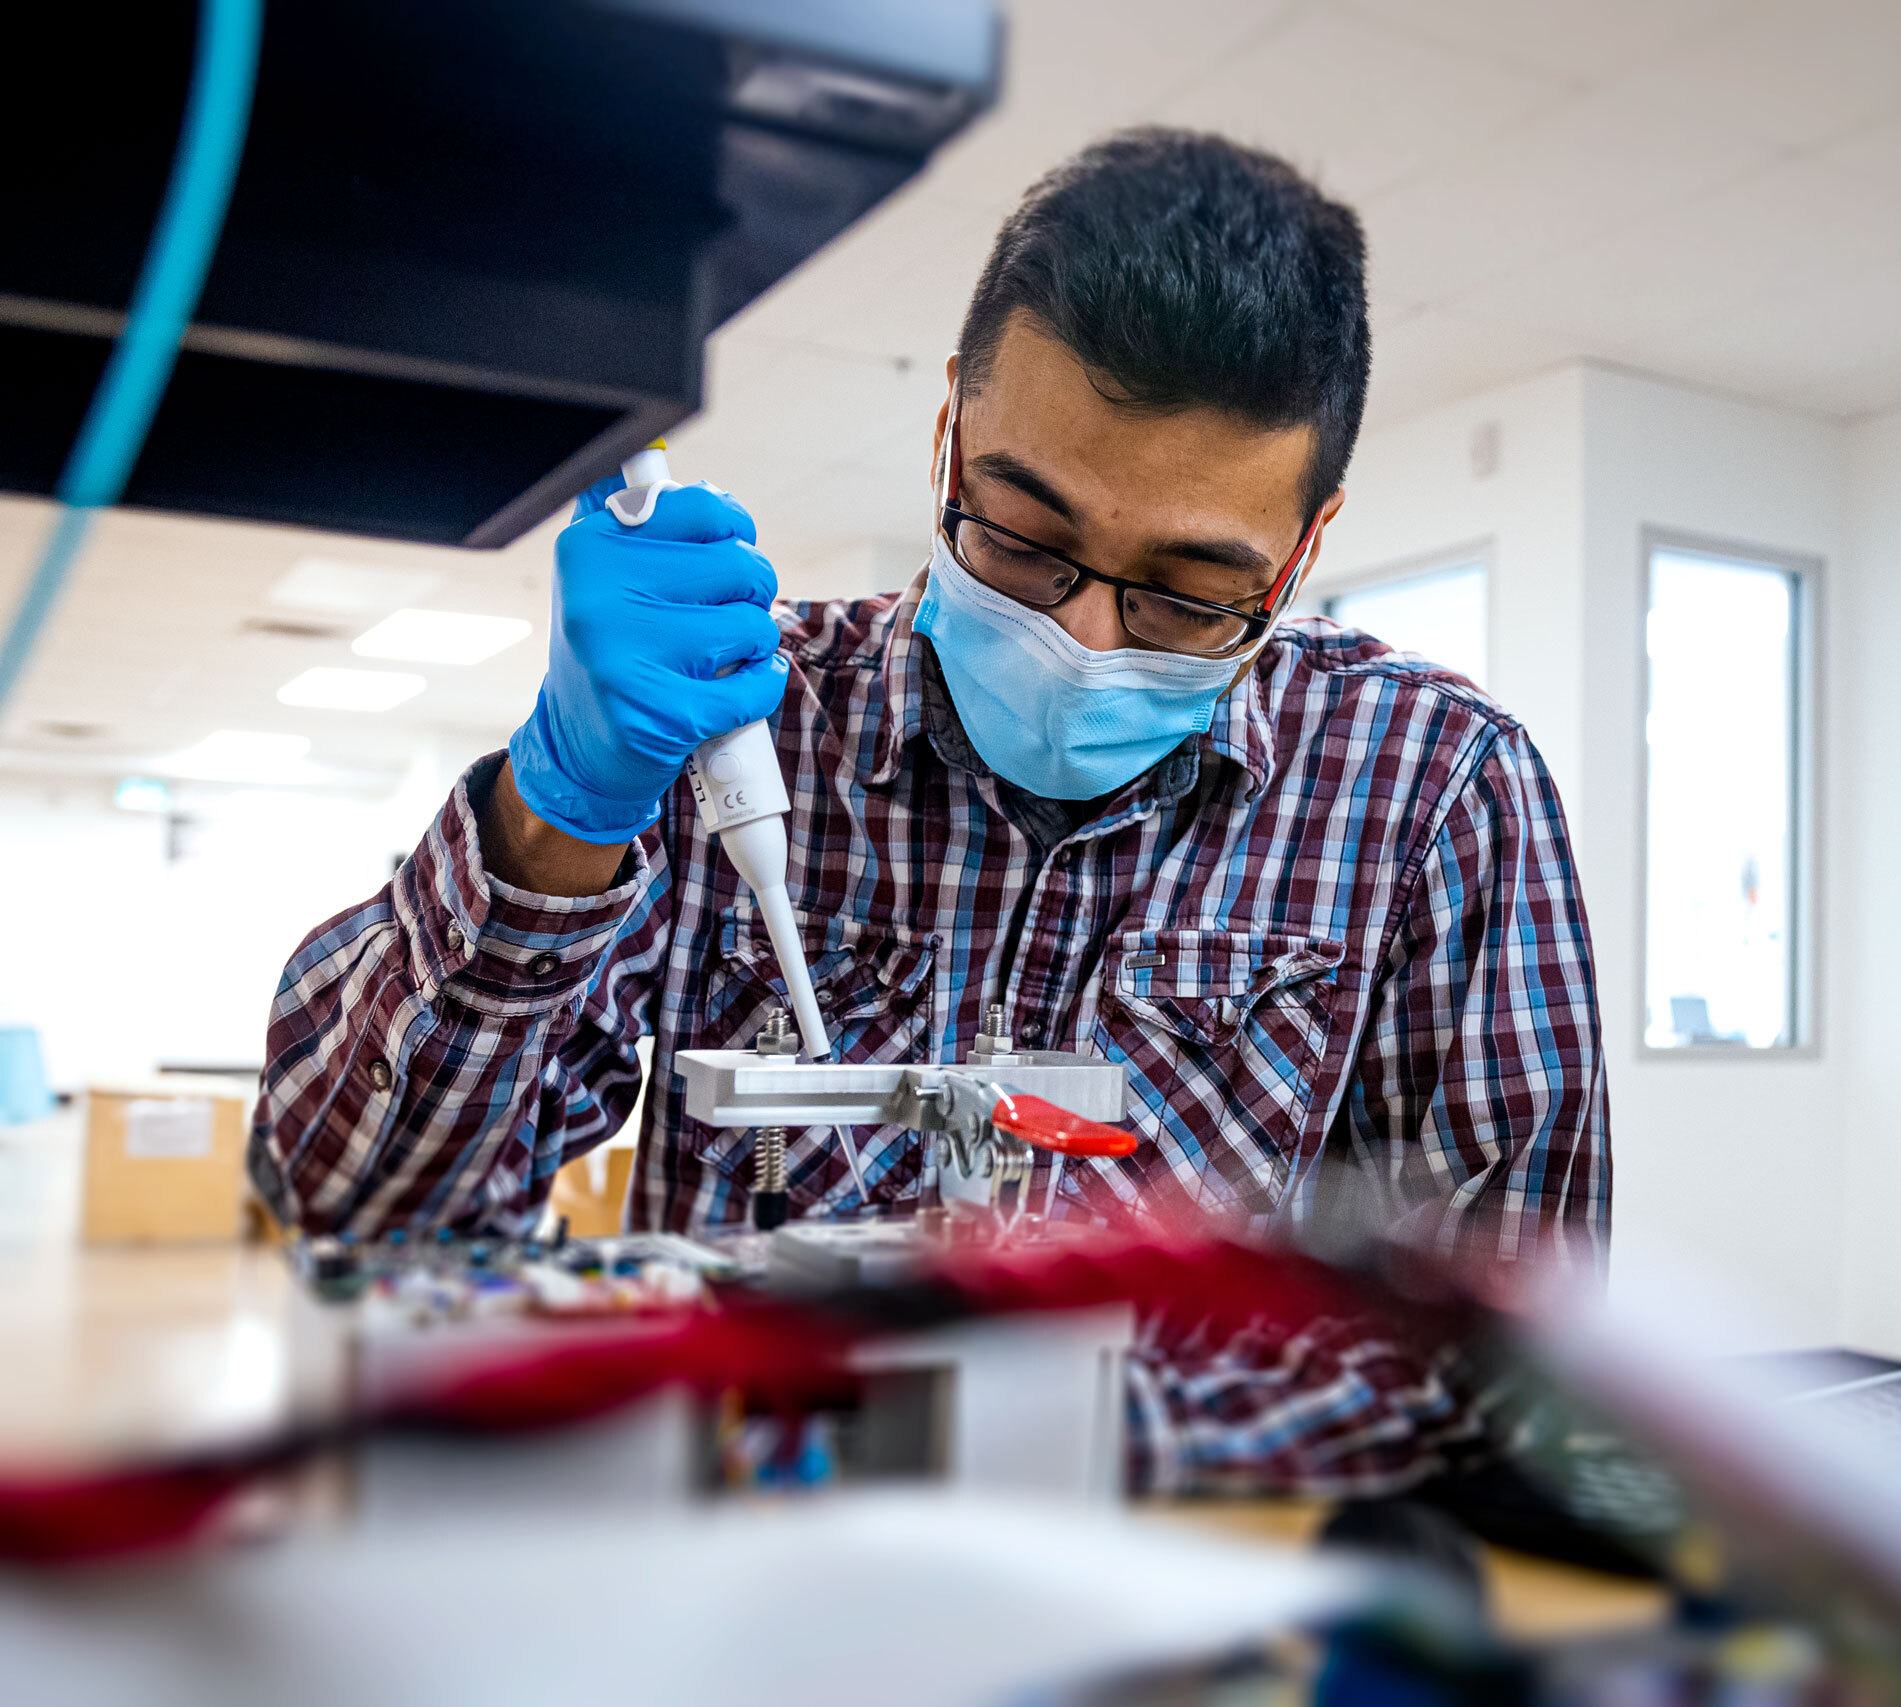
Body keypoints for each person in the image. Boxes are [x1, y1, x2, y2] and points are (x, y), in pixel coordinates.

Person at [254, 129, 1609, 1493]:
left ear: (1303, 549)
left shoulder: (1430, 787)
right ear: (952, 429)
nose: (1083, 640)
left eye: (1188, 594)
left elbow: (1504, 1356)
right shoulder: (741, 723)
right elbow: (365, 1218)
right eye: (1023, 538)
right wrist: (556, 818)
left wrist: (1010, 1435)